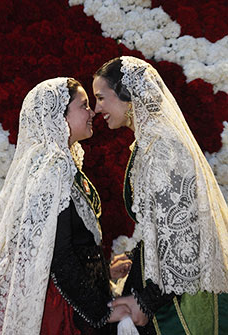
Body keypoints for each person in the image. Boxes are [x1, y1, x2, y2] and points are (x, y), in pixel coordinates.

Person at [0, 77, 131, 335]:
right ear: (58, 117)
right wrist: (101, 311)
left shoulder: (61, 166)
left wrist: (105, 270)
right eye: (83, 105)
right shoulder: (52, 169)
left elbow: (64, 243)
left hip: (74, 296)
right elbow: (58, 256)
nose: (92, 111)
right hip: (62, 310)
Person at [93, 56, 228, 335]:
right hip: (171, 283)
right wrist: (136, 256)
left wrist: (147, 300)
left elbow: (185, 233)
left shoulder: (163, 149)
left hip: (185, 299)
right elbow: (168, 225)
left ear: (127, 97)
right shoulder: (150, 143)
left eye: (101, 98)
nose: (97, 108)